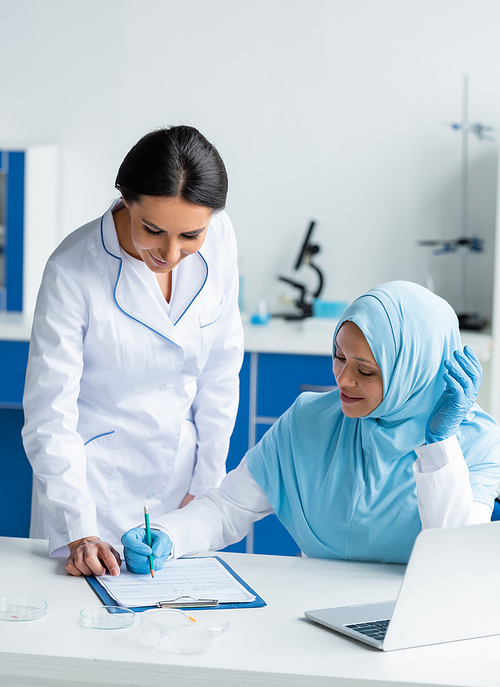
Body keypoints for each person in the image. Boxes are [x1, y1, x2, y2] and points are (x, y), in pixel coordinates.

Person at [121, 280, 500, 572]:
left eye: (365, 370)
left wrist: (439, 445)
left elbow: (452, 563)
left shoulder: (476, 444)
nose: (343, 380)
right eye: (339, 357)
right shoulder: (310, 420)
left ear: (413, 373)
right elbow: (227, 507)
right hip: (312, 609)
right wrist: (168, 535)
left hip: (408, 617)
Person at [22, 125, 244, 577]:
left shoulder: (219, 237)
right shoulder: (72, 271)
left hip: (182, 484)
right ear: (125, 198)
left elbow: (221, 369)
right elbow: (49, 415)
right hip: (92, 493)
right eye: (154, 230)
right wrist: (78, 529)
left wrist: (206, 488)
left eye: (190, 236)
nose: (171, 252)